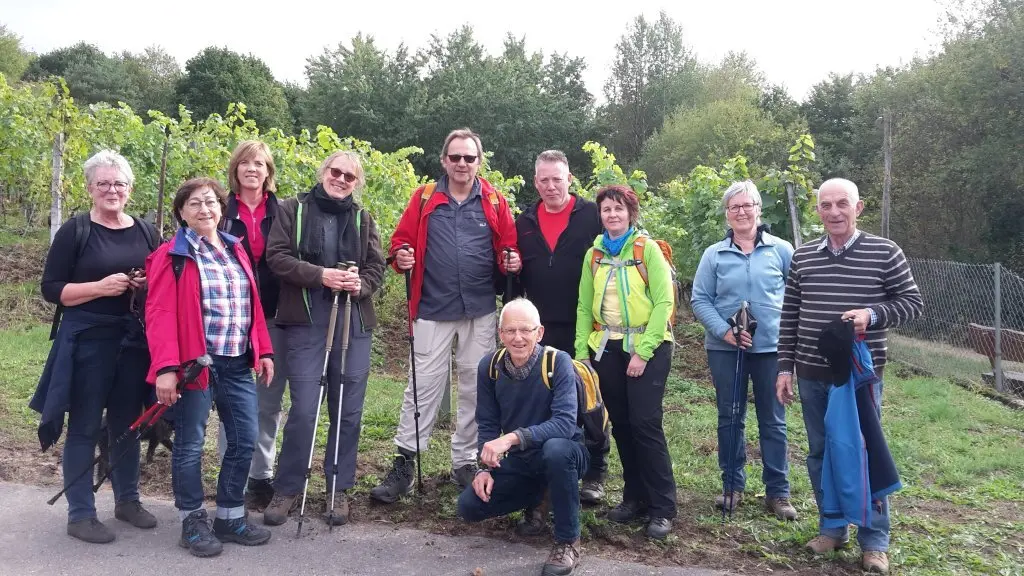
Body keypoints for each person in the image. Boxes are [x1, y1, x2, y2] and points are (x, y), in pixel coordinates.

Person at [776, 177, 923, 574]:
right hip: (810, 372)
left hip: (859, 376)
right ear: (818, 210)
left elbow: (912, 303)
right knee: (821, 452)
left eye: (843, 204)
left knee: (863, 451)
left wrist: (871, 315)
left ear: (858, 208)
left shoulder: (884, 252)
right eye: (826, 205)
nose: (835, 212)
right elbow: (789, 317)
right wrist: (784, 367)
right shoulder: (803, 257)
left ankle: (874, 541)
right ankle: (833, 527)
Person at [371, 128, 520, 503]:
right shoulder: (423, 199)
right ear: (444, 160)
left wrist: (511, 259)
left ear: (479, 161)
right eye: (455, 157)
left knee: (475, 385)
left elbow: (509, 246)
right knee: (422, 386)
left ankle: (465, 459)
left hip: (480, 310)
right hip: (432, 309)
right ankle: (405, 461)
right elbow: (400, 241)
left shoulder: (495, 201)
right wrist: (401, 254)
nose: (462, 164)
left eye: (469, 157)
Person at [34, 150, 160, 543]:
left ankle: (127, 501)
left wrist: (142, 284)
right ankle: (81, 514)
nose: (111, 190)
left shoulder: (145, 230)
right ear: (90, 188)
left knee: (127, 424)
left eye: (119, 183)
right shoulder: (75, 231)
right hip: (87, 341)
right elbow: (51, 289)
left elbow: (160, 283)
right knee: (85, 425)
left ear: (130, 189)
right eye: (103, 183)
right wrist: (99, 288)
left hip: (131, 342)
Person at [145, 177, 275, 558]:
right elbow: (160, 314)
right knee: (190, 445)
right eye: (194, 204)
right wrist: (166, 368)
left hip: (236, 362)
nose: (204, 209)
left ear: (222, 207)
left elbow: (251, 305)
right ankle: (192, 521)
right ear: (182, 213)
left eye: (211, 202)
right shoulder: (173, 255)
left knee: (243, 439)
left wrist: (263, 351)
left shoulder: (235, 248)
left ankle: (230, 516)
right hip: (193, 365)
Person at [262, 151, 386, 526]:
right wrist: (322, 275)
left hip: (354, 322)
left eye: (350, 176)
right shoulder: (291, 208)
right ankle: (287, 488)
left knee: (347, 409)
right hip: (306, 320)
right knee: (304, 409)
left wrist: (359, 284)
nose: (341, 179)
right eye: (336, 172)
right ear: (323, 172)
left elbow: (376, 268)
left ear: (357, 182)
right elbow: (277, 257)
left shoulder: (364, 219)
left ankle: (338, 489)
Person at [508, 150, 606, 531]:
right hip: (538, 330)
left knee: (590, 398)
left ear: (570, 179)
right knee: (544, 403)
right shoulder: (524, 222)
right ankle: (542, 483)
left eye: (558, 178)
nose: (551, 186)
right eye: (544, 180)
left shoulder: (591, 216)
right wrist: (510, 268)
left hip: (584, 325)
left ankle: (595, 470)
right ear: (536, 183)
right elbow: (510, 281)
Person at [690, 180, 797, 520]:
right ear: (727, 214)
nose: (741, 211)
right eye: (734, 207)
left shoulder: (781, 250)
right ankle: (732, 486)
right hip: (726, 351)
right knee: (730, 417)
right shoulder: (714, 254)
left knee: (774, 420)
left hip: (771, 350)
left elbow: (797, 298)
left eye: (747, 205)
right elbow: (700, 299)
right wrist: (725, 332)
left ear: (758, 209)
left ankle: (778, 492)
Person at [457, 298, 588, 576]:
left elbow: (564, 424)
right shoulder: (489, 367)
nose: (518, 338)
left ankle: (568, 540)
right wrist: (484, 468)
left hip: (568, 453)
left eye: (525, 330)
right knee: (469, 506)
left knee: (555, 451)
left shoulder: (557, 362)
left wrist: (511, 438)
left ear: (539, 333)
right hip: (524, 459)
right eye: (510, 331)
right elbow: (488, 424)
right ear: (500, 333)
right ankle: (541, 494)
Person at [574, 184, 676, 540]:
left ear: (631, 213)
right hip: (607, 347)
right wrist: (581, 354)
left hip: (649, 345)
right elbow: (585, 307)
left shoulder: (647, 250)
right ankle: (634, 498)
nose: (612, 215)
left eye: (619, 208)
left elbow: (664, 304)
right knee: (621, 425)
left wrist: (643, 352)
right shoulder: (595, 255)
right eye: (606, 210)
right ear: (600, 216)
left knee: (646, 423)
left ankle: (663, 507)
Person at [214, 140, 288, 509]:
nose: (252, 169)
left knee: (268, 400)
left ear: (268, 171)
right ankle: (232, 475)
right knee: (233, 400)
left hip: (274, 314)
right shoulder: (220, 209)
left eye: (259, 163)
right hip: (231, 315)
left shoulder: (285, 211)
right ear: (236, 169)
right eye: (245, 162)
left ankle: (261, 475)